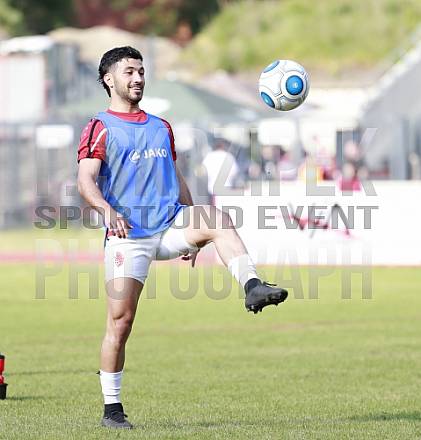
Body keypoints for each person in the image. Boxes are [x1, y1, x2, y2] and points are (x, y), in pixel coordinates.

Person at [77, 46, 288, 430]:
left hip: (171, 223)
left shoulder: (161, 126)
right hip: (128, 235)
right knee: (120, 323)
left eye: (141, 71)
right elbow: (85, 181)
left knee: (217, 218)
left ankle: (253, 286)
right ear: (108, 79)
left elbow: (174, 177)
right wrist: (107, 212)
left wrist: (194, 229)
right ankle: (112, 410)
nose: (138, 78)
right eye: (129, 72)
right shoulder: (100, 126)